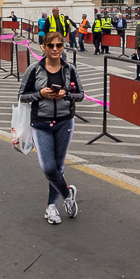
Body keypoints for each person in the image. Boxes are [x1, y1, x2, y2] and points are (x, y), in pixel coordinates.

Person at [17, 31, 85, 224]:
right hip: (41, 123)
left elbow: (80, 94)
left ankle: (51, 207)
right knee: (48, 168)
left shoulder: (69, 69)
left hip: (65, 122)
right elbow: (22, 95)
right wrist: (40, 95)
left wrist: (65, 94)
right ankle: (67, 193)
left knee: (58, 167)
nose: (55, 49)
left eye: (59, 46)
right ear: (43, 47)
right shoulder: (34, 69)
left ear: (63, 47)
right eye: (51, 46)